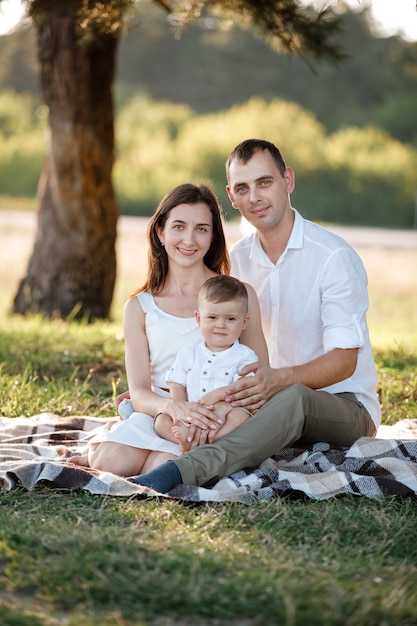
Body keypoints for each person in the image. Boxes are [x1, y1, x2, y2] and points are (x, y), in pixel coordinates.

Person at [128, 138, 382, 493]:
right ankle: (172, 438)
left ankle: (182, 471)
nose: (255, 198)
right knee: (236, 406)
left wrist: (277, 380)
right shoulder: (239, 260)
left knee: (294, 397)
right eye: (243, 189)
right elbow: (221, 337)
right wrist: (163, 398)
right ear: (232, 197)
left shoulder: (332, 257)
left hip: (343, 405)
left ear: (288, 181)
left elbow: (345, 361)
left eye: (265, 183)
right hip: (263, 400)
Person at [68, 182, 267, 476]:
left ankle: (154, 456)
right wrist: (176, 409)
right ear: (161, 232)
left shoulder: (240, 297)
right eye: (179, 226)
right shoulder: (140, 307)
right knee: (111, 464)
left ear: (212, 237)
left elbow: (259, 376)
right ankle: (108, 446)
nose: (189, 239)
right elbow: (138, 391)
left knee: (165, 469)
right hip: (163, 412)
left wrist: (218, 410)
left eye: (201, 228)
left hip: (218, 417)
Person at [156, 274, 260, 451]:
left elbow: (244, 387)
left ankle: (211, 441)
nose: (221, 325)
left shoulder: (245, 356)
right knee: (160, 421)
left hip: (223, 415)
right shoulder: (190, 352)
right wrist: (182, 411)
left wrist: (218, 397)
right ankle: (188, 438)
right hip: (191, 412)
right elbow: (177, 383)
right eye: (212, 318)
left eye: (230, 319)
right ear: (198, 319)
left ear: (244, 322)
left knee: (240, 417)